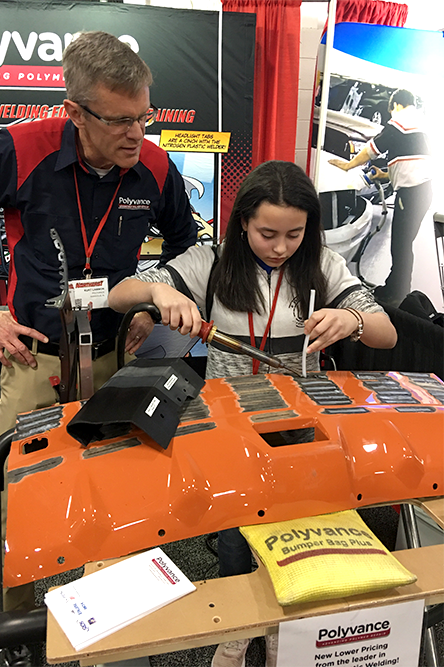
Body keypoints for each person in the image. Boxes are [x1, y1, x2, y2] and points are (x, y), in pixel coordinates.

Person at [108, 160, 397, 667]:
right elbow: (117, 296)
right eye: (267, 233)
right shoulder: (211, 262)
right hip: (232, 424)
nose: (281, 246)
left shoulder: (324, 265)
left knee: (303, 526)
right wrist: (159, 291)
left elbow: (386, 332)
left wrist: (352, 317)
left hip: (302, 423)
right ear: (242, 221)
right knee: (237, 528)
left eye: (294, 233)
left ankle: (290, 629)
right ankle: (239, 630)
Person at [0, 31, 197, 435]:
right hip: (35, 360)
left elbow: (186, 245)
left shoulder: (156, 167)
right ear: (76, 113)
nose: (137, 134)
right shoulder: (20, 151)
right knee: (30, 484)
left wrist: (150, 305)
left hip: (116, 355)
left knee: (118, 483)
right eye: (119, 121)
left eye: (144, 116)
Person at [329, 88, 432, 307]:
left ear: (395, 105)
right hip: (423, 191)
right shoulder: (419, 124)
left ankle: (396, 294)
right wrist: (385, 173)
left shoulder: (400, 121)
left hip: (412, 193)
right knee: (405, 243)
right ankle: (397, 288)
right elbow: (410, 160)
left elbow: (372, 150)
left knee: (400, 245)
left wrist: (348, 165)